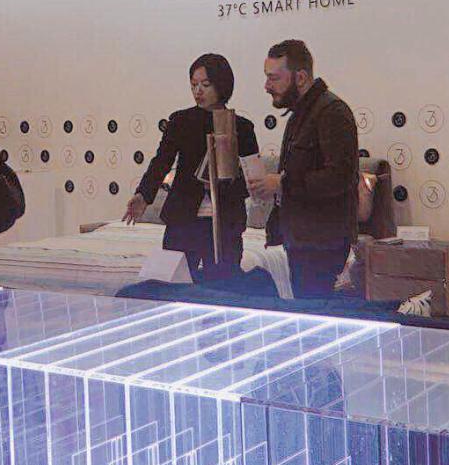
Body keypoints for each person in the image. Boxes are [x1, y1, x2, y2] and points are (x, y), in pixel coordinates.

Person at [125, 54, 258, 281]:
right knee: (174, 281)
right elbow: (161, 161)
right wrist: (143, 195)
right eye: (194, 85)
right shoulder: (180, 121)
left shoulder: (242, 127)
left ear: (221, 84)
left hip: (225, 220)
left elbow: (252, 174)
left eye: (205, 85)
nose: (198, 91)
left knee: (224, 284)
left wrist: (227, 183)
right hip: (184, 219)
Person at [250, 40, 359, 298]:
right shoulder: (302, 114)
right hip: (305, 241)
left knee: (315, 312)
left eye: (274, 78)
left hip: (322, 244)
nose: (267, 86)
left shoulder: (332, 112)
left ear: (300, 77)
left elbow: (341, 177)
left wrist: (282, 183)